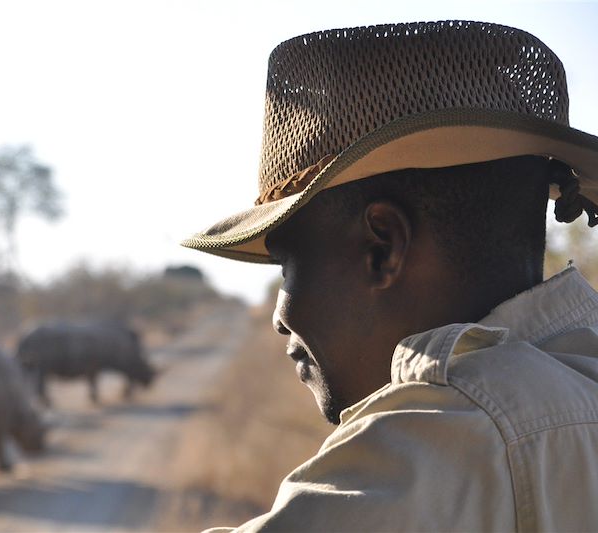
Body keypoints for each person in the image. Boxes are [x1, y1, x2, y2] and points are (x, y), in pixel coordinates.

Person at [182, 21, 598, 531]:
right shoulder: (578, 378)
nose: (279, 320)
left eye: (290, 266)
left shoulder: (449, 437)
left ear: (382, 247)